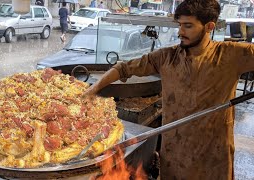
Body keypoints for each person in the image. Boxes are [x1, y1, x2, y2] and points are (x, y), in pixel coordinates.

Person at [83, 0, 254, 179]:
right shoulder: (167, 57)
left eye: (188, 26)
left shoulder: (231, 54)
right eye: (179, 25)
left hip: (213, 153)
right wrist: (93, 89)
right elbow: (123, 68)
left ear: (209, 27)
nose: (180, 32)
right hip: (175, 151)